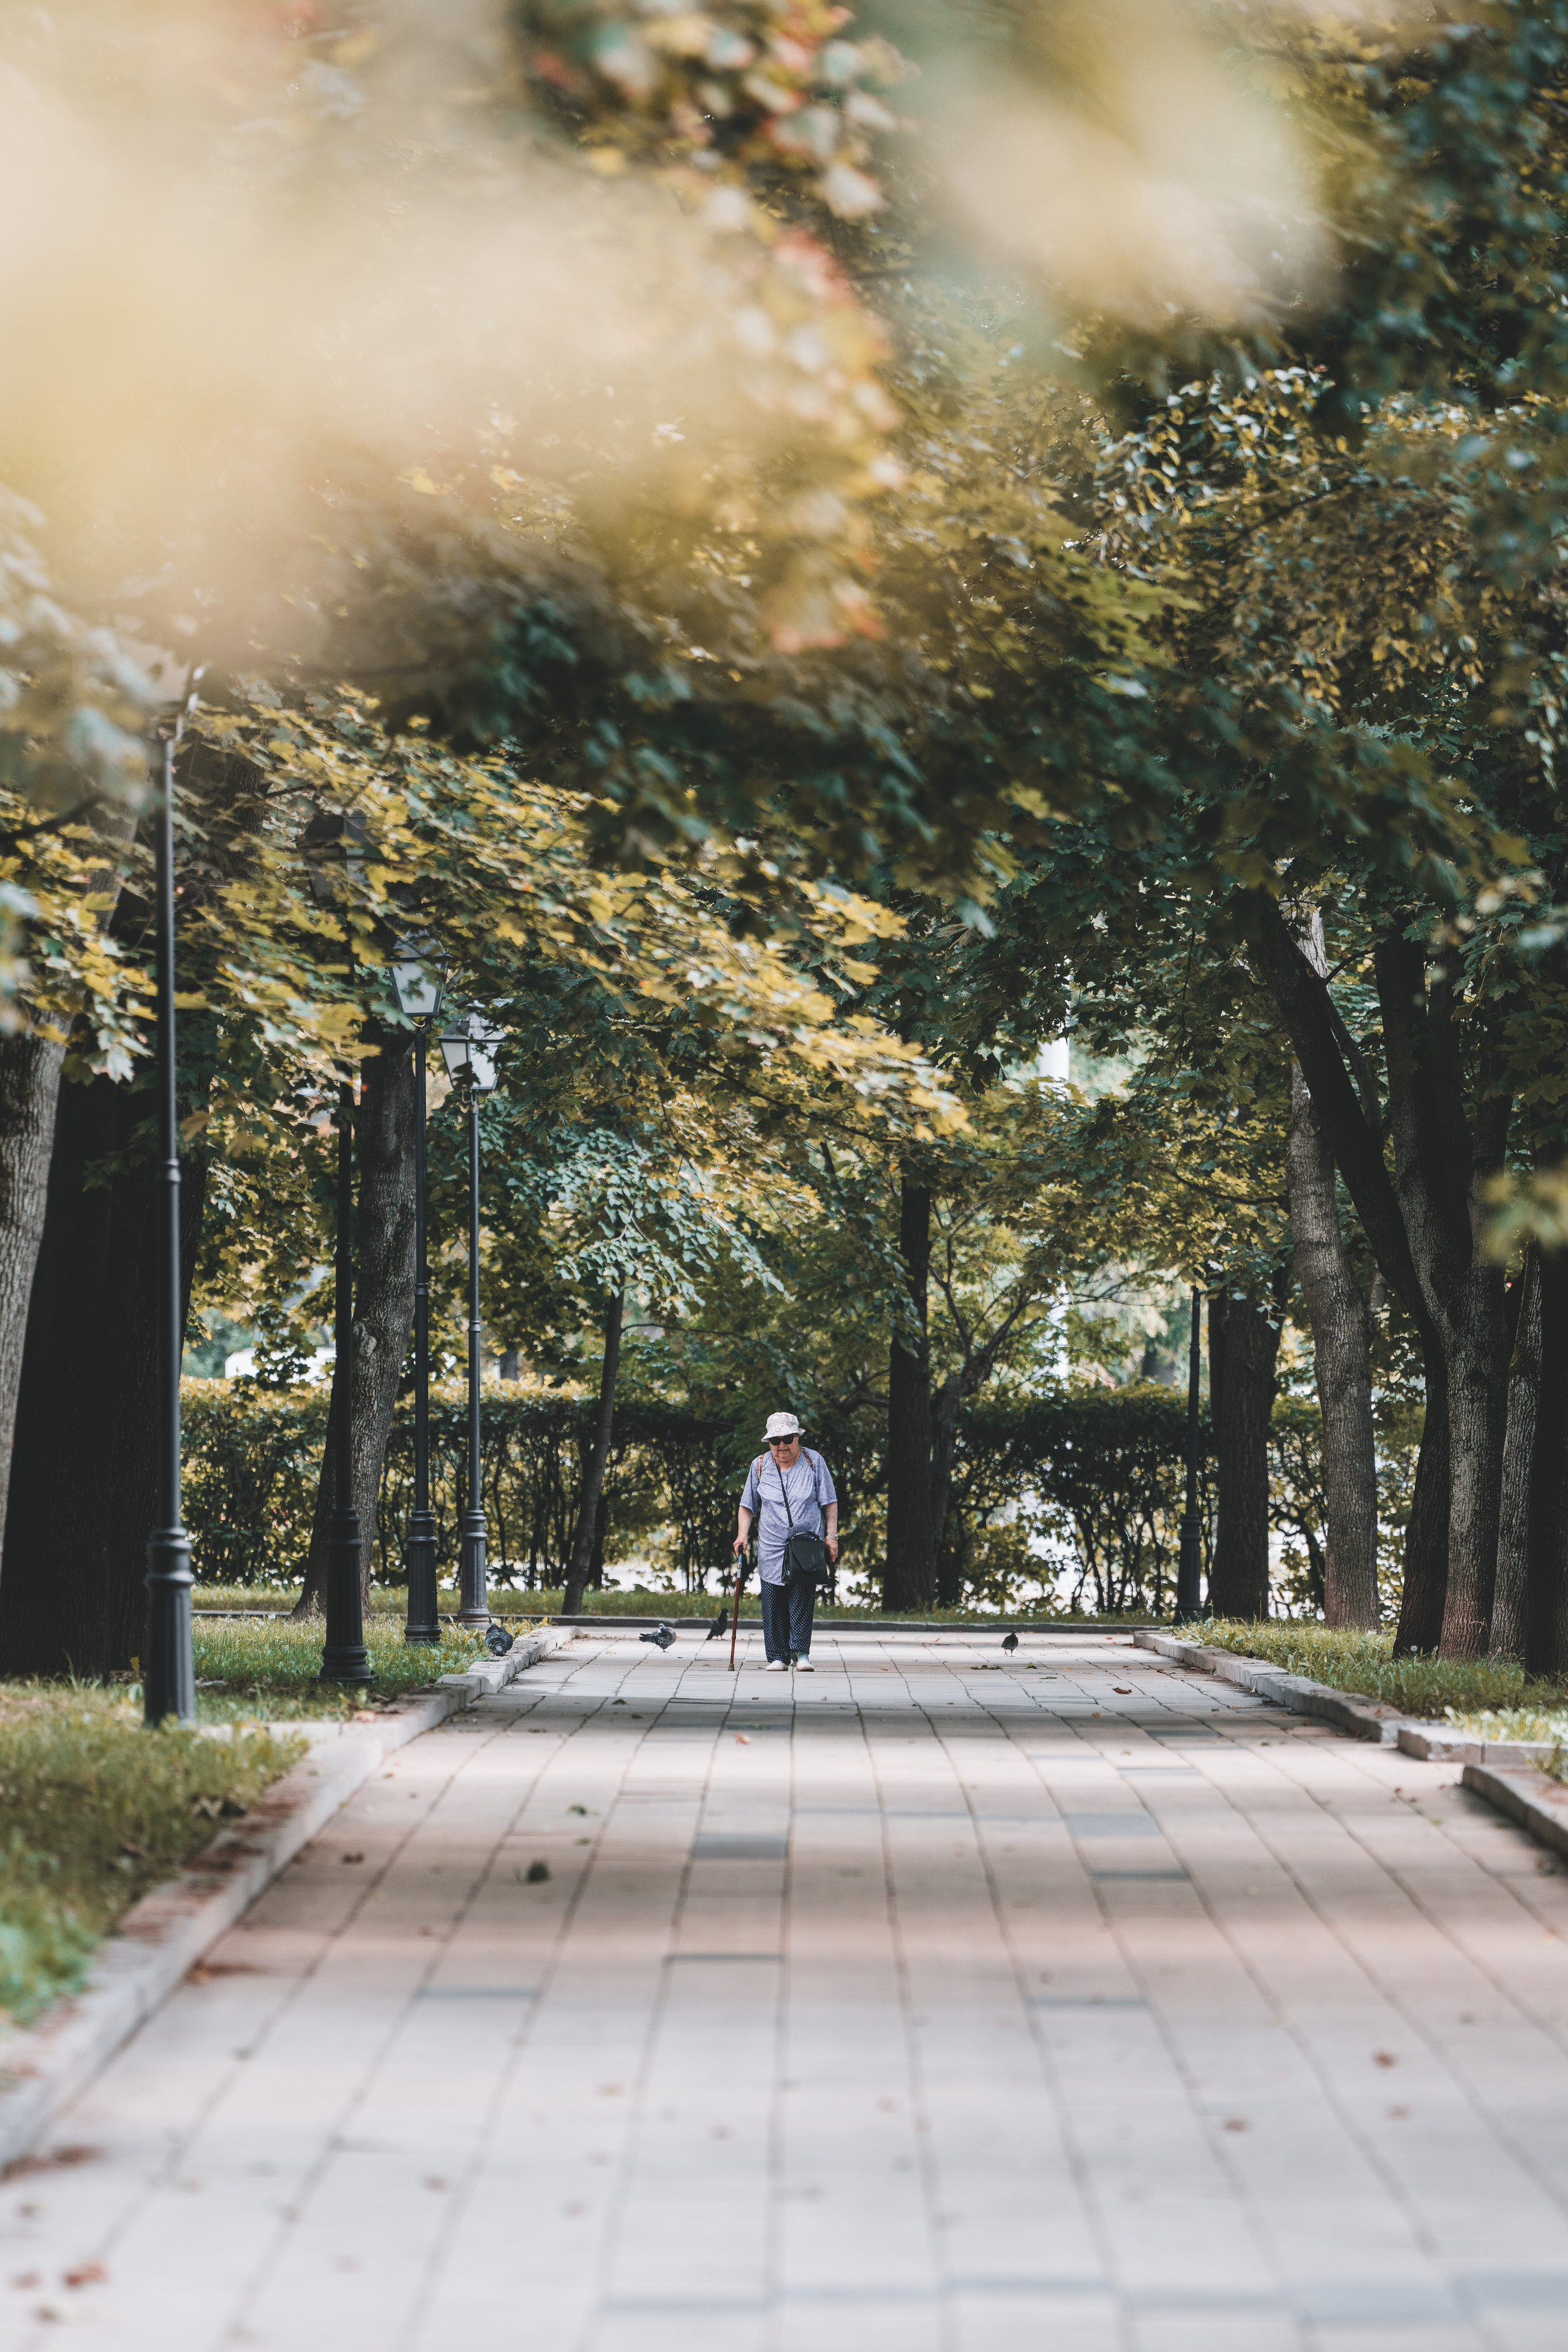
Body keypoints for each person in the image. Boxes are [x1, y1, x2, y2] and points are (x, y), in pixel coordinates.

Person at [734, 1411, 839, 1671]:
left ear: (797, 1437)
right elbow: (748, 1506)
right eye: (775, 1440)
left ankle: (802, 1654)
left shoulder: (814, 1461)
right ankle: (777, 1657)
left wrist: (832, 1536)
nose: (782, 1445)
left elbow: (829, 1501)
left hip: (806, 1544)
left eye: (788, 1438)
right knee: (772, 1600)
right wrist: (742, 1535)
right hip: (771, 1545)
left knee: (802, 1597)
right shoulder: (759, 1465)